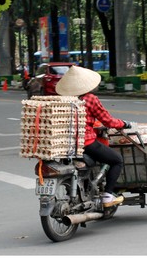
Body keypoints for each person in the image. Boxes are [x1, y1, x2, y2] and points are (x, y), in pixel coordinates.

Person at [55, 65, 132, 207]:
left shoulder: (64, 100)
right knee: (117, 160)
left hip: (65, 144)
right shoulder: (89, 99)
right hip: (86, 142)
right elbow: (108, 120)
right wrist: (124, 124)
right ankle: (108, 195)